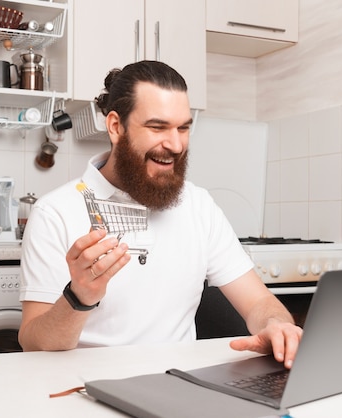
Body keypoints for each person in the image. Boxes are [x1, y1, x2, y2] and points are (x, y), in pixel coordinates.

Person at [18, 60, 302, 368]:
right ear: (115, 127)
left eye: (183, 128)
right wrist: (79, 296)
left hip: (180, 385)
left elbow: (258, 302)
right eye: (157, 127)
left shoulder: (199, 205)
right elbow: (34, 343)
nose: (176, 144)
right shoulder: (55, 212)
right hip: (84, 386)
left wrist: (276, 324)